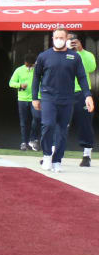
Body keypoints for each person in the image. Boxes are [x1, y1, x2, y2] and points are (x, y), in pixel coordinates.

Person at [33, 28, 94, 173]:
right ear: (52, 38)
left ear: (66, 39)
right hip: (48, 97)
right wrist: (35, 97)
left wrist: (88, 95)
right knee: (47, 125)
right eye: (56, 37)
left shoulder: (74, 57)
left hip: (67, 99)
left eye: (61, 37)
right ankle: (47, 155)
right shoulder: (44, 56)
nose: (58, 39)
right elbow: (36, 78)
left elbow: (82, 77)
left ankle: (57, 160)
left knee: (62, 131)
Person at [67, 32, 96, 167]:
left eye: (73, 40)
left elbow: (91, 68)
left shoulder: (86, 54)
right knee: (57, 123)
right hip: (64, 93)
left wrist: (81, 51)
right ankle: (53, 153)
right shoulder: (59, 54)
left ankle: (87, 155)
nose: (71, 42)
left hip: (81, 94)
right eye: (68, 40)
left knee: (85, 123)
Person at [9, 54, 41, 151]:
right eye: (28, 65)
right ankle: (24, 142)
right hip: (22, 99)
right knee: (24, 122)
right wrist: (20, 85)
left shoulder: (38, 70)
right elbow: (11, 83)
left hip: (35, 98)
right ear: (25, 63)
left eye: (31, 65)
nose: (29, 67)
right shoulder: (19, 70)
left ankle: (33, 139)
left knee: (37, 118)